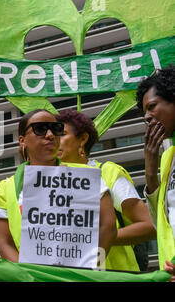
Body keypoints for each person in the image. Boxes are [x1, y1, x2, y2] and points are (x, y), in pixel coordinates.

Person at [0, 109, 117, 264]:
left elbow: (108, 227)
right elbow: (4, 243)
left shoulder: (87, 176)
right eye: (40, 129)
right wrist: (32, 278)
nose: (50, 135)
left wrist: (86, 268)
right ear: (22, 140)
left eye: (56, 129)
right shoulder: (5, 188)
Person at [56, 109, 155, 271]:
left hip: (115, 275)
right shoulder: (46, 181)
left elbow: (149, 225)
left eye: (62, 134)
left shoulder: (108, 173)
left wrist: (102, 237)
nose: (55, 141)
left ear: (82, 139)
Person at [136, 66, 175, 278]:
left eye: (152, 106)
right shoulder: (169, 155)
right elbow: (160, 222)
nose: (148, 117)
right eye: (144, 113)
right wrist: (151, 169)